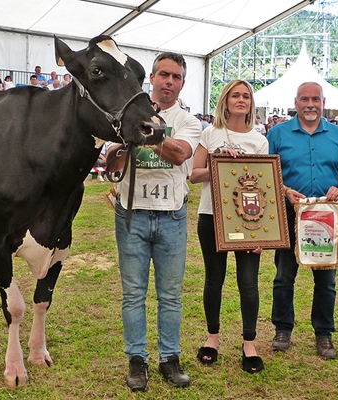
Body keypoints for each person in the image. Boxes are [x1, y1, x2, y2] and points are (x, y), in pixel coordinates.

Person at [107, 52, 202, 392]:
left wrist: (147, 133)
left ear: (182, 83)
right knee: (133, 294)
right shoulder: (127, 113)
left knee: (170, 295)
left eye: (176, 77)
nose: (169, 82)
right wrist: (124, 141)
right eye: (164, 74)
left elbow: (180, 155)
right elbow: (111, 163)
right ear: (151, 77)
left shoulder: (190, 121)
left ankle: (169, 359)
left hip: (172, 216)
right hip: (131, 214)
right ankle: (137, 360)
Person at [266, 82, 338, 360]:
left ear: (323, 101)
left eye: (315, 99)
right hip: (289, 215)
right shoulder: (277, 134)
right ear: (296, 102)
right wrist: (284, 191)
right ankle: (282, 329)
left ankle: (324, 333)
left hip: (326, 217)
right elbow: (267, 173)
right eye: (304, 99)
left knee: (326, 281)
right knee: (283, 277)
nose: (310, 104)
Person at [189, 80, 269, 373]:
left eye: (246, 96)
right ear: (225, 100)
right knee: (214, 279)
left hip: (248, 220)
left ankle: (249, 342)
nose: (241, 100)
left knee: (248, 282)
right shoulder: (211, 133)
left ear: (251, 103)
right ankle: (213, 338)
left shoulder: (260, 140)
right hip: (211, 216)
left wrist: (262, 231)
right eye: (235, 95)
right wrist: (217, 163)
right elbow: (194, 175)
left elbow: (265, 187)